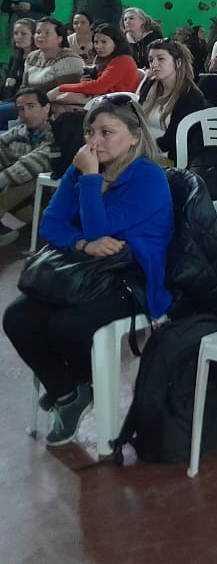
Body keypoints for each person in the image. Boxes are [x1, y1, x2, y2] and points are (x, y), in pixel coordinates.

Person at [3, 94, 173, 446]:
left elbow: (101, 228)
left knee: (67, 325)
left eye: (107, 132)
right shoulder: (82, 168)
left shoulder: (148, 178)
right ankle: (70, 394)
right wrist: (82, 244)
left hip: (133, 278)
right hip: (85, 270)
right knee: (18, 317)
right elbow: (50, 223)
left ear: (135, 136)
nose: (94, 141)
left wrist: (91, 180)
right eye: (90, 131)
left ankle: (78, 386)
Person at [137, 38, 212, 167]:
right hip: (143, 152)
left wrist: (140, 148)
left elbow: (172, 140)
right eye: (151, 60)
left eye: (160, 59)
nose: (154, 64)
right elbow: (135, 120)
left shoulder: (191, 96)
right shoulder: (149, 85)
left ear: (177, 63)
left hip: (169, 159)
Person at [0, 88, 58, 242]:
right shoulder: (18, 132)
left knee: (30, 177)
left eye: (31, 107)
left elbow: (37, 161)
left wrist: (2, 178)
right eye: (21, 109)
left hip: (52, 206)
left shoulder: (58, 133)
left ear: (46, 108)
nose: (26, 114)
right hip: (27, 205)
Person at [47, 23, 140, 112]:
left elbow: (99, 86)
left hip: (117, 107)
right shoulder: (106, 59)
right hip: (103, 101)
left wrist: (61, 87)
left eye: (104, 42)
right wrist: (86, 81)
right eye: (96, 42)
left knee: (61, 97)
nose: (98, 46)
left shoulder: (123, 60)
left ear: (117, 42)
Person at [2, 18, 36, 102]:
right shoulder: (14, 59)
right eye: (15, 33)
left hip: (23, 102)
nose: (18, 37)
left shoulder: (37, 60)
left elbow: (29, 90)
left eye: (23, 34)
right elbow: (7, 84)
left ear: (33, 36)